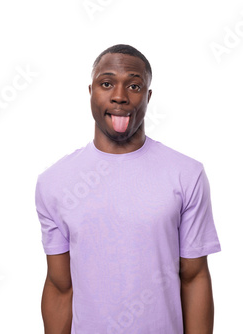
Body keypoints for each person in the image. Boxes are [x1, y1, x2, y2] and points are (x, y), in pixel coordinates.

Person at [35, 44, 221, 333]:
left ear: (147, 97)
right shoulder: (54, 182)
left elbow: (194, 277)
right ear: (91, 92)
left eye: (133, 86)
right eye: (106, 83)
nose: (119, 96)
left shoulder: (186, 174)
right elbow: (60, 288)